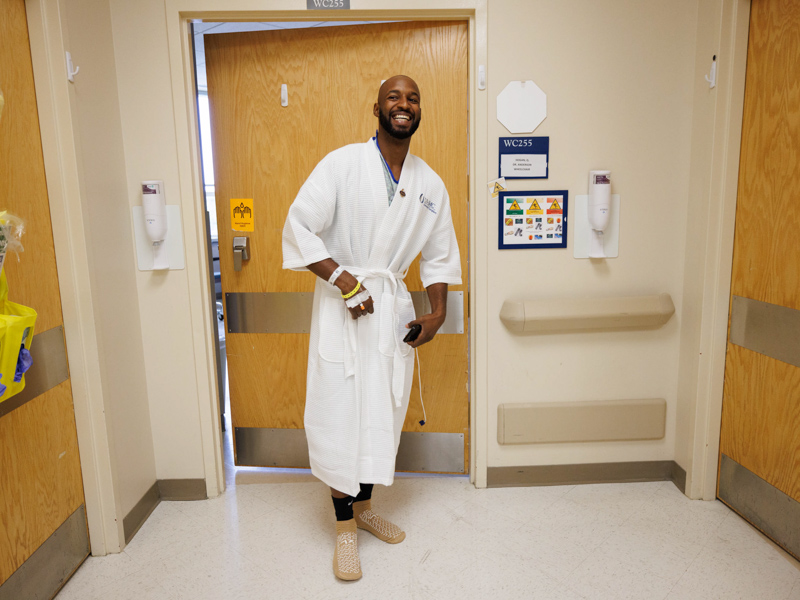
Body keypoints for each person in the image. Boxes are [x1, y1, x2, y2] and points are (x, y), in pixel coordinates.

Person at [282, 75, 461, 581]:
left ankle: (364, 510)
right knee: (342, 413)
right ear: (377, 109)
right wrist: (343, 280)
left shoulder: (428, 184)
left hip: (392, 311)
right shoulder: (342, 164)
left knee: (383, 411)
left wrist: (438, 312)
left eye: (412, 98)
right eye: (394, 98)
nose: (403, 105)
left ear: (418, 110)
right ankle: (343, 530)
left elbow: (442, 255)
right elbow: (298, 226)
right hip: (345, 307)